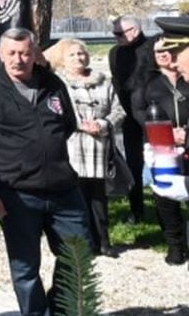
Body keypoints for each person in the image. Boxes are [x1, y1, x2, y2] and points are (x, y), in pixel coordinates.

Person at [0, 28, 89, 316]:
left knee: (77, 256)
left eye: (24, 53)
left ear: (35, 54)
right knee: (25, 268)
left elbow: (68, 124)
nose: (18, 59)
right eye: (11, 53)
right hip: (17, 195)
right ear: (0, 54)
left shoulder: (52, 83)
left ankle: (63, 309)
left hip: (63, 190)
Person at [57, 38, 125, 257]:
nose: (78, 58)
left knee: (99, 197)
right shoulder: (58, 84)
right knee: (78, 197)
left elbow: (118, 110)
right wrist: (79, 124)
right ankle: (83, 243)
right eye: (72, 55)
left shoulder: (104, 81)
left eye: (81, 53)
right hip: (73, 145)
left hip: (99, 146)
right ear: (63, 60)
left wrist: (103, 124)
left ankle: (103, 241)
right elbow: (57, 112)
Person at [133, 28, 189, 265]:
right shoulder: (147, 82)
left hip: (186, 142)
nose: (165, 54)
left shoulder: (186, 77)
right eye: (159, 51)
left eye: (169, 50)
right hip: (161, 147)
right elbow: (138, 112)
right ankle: (175, 245)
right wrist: (165, 134)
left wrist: (185, 134)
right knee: (165, 198)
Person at [109, 14, 154, 223]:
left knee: (162, 161)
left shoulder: (152, 48)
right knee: (134, 165)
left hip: (153, 116)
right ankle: (137, 211)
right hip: (129, 118)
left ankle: (168, 209)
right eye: (114, 34)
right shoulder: (115, 53)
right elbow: (116, 83)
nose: (116, 37)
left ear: (134, 31)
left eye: (119, 34)